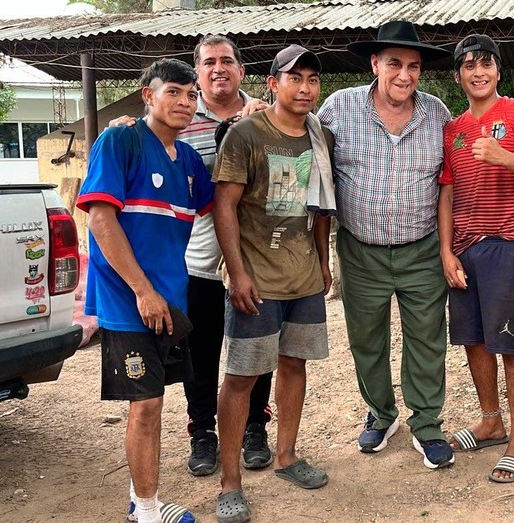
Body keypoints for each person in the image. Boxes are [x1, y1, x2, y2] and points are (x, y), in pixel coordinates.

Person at [112, 34, 274, 477]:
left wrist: (265, 123)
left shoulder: (266, 115)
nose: (218, 68)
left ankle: (255, 429)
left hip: (257, 253)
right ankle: (203, 431)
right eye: (208, 63)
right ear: (197, 74)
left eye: (227, 61)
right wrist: (131, 128)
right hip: (198, 255)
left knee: (256, 347)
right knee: (201, 351)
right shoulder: (179, 118)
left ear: (242, 70)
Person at [77, 59, 213, 523]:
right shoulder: (120, 140)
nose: (184, 102)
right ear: (147, 95)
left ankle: (143, 501)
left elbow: (228, 202)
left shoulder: (190, 161)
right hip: (129, 300)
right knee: (147, 404)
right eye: (173, 91)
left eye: (191, 95)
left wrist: (255, 115)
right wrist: (142, 290)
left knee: (155, 403)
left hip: (170, 299)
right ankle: (148, 511)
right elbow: (98, 218)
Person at [318, 21, 455, 470]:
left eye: (413, 66)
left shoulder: (437, 114)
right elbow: (298, 141)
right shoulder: (339, 108)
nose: (404, 74)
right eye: (394, 63)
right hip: (360, 250)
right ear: (375, 64)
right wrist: (256, 110)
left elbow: (452, 181)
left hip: (421, 248)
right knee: (367, 338)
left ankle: (427, 423)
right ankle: (381, 412)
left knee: (427, 338)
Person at [212, 45, 335, 523]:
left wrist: (324, 262)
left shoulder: (319, 136)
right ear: (272, 82)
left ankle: (286, 456)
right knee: (241, 376)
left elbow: (321, 206)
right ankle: (230, 482)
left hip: (303, 277)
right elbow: (224, 207)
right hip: (256, 277)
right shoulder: (245, 134)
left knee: (294, 364)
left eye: (312, 80)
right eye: (294, 78)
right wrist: (237, 271)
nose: (304, 88)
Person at [438, 34, 514, 483]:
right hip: (466, 249)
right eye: (468, 65)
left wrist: (504, 156)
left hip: (511, 244)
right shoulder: (454, 130)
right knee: (474, 339)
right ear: (458, 76)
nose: (478, 71)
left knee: (512, 344)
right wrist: (446, 251)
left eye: (485, 63)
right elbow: (446, 193)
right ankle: (491, 419)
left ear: (498, 71)